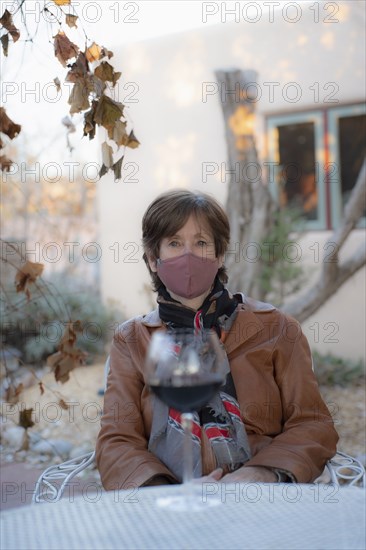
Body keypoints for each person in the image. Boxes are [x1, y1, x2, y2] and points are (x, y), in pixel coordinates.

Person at [96, 189, 338, 490]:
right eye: (174, 243)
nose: (188, 256)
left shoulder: (276, 328)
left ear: (219, 254)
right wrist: (165, 493)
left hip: (261, 498)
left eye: (201, 243)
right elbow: (117, 440)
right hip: (167, 506)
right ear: (153, 258)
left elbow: (312, 423)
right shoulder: (132, 339)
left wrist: (259, 474)